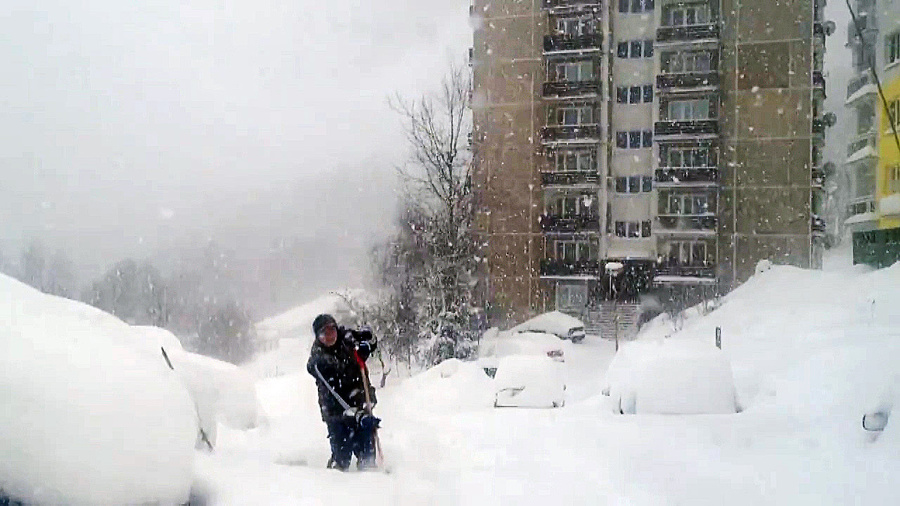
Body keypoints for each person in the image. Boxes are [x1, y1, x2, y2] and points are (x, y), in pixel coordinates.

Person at [306, 313, 380, 471]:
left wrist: (369, 339)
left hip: (361, 402)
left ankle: (372, 485)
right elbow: (340, 378)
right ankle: (332, 488)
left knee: (367, 458)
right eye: (324, 333)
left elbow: (368, 342)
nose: (330, 335)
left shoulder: (345, 337)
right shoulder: (318, 361)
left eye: (332, 330)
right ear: (318, 337)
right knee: (341, 462)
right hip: (337, 413)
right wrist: (358, 356)